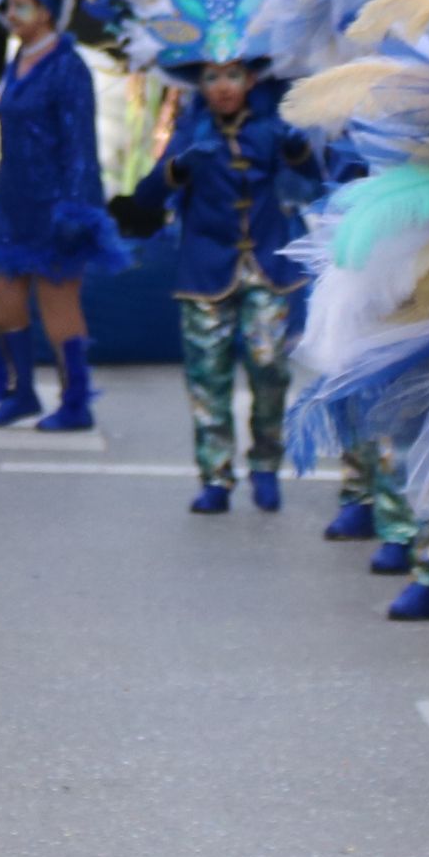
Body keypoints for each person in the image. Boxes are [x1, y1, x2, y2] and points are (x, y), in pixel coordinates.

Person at [124, 55, 312, 513]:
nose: (224, 86)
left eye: (233, 75)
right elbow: (148, 194)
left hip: (268, 265)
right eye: (212, 77)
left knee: (270, 367)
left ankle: (266, 464)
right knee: (207, 377)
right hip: (205, 272)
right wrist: (176, 168)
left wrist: (299, 153)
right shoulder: (191, 132)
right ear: (200, 84)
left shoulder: (271, 130)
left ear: (250, 80)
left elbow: (315, 182)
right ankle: (216, 477)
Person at [0, 0, 116, 432]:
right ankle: (22, 393)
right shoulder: (18, 59)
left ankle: (76, 402)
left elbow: (80, 144)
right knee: (3, 295)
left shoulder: (68, 67)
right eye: (9, 6)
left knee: (58, 302)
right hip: (14, 200)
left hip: (56, 204)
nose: (11, 16)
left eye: (22, 7)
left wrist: (76, 210)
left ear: (48, 13)